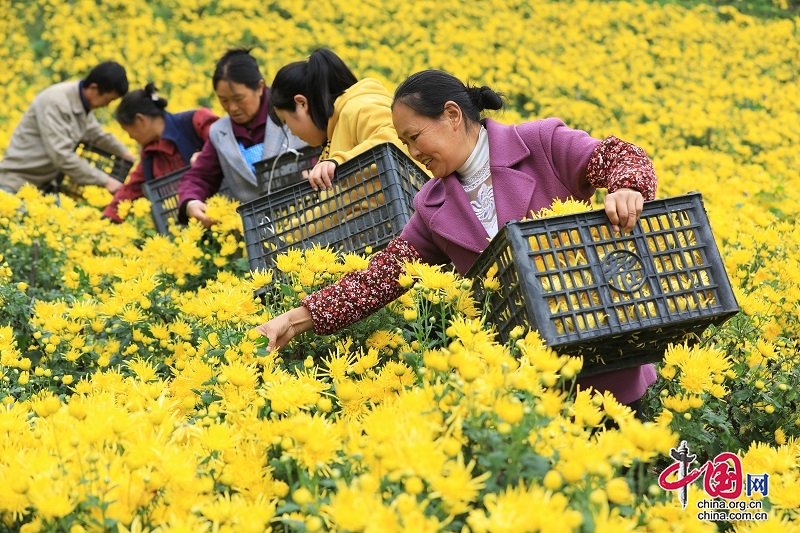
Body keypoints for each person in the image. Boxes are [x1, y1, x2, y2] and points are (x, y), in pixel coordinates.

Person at [256, 70, 660, 410]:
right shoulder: (431, 206)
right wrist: (292, 319)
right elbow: (377, 279)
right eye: (405, 142)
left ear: (451, 115)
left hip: (603, 359)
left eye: (415, 136)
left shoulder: (540, 142)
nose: (412, 151)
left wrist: (626, 187)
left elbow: (620, 155)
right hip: (524, 385)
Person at [178, 48, 306, 228]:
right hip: (257, 231)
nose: (232, 108)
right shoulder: (220, 132)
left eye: (238, 98)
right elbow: (200, 175)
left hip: (307, 216)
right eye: (224, 100)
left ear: (260, 87)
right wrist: (191, 202)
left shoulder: (290, 109)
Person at [269, 48, 416, 191]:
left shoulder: (358, 107)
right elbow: (333, 206)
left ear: (302, 104)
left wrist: (339, 161)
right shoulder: (332, 139)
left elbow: (396, 141)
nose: (291, 133)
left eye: (285, 121)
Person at [0, 61, 135, 195]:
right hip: (16, 183)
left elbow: (95, 134)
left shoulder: (82, 103)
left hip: (42, 186)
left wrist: (124, 153)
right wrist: (105, 181)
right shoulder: (57, 102)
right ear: (94, 88)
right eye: (108, 100)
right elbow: (62, 155)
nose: (106, 105)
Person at [102, 83, 219, 223]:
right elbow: (131, 189)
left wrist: (206, 155)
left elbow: (225, 140)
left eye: (128, 131)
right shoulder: (150, 154)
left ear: (140, 120)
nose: (131, 137)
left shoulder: (195, 121)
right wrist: (107, 221)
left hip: (221, 212)